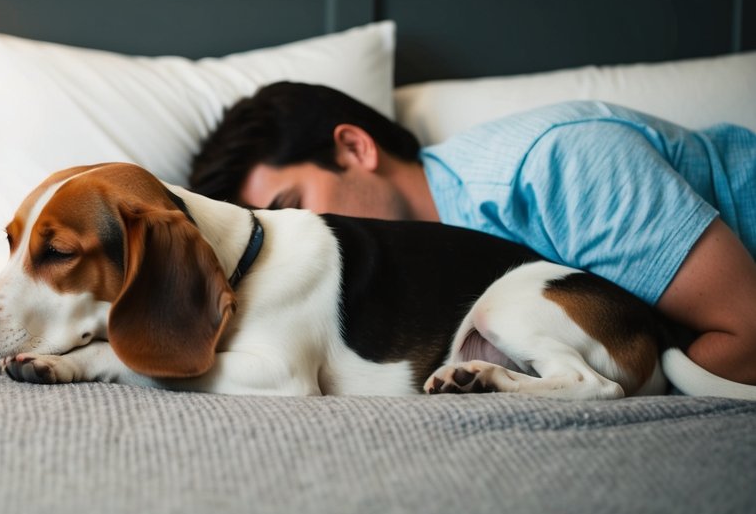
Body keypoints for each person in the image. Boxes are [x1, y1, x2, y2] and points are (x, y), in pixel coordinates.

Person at [189, 82, 756, 387]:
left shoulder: (557, 163)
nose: (290, 237)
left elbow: (749, 337)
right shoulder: (443, 283)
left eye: (291, 208)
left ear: (356, 148)